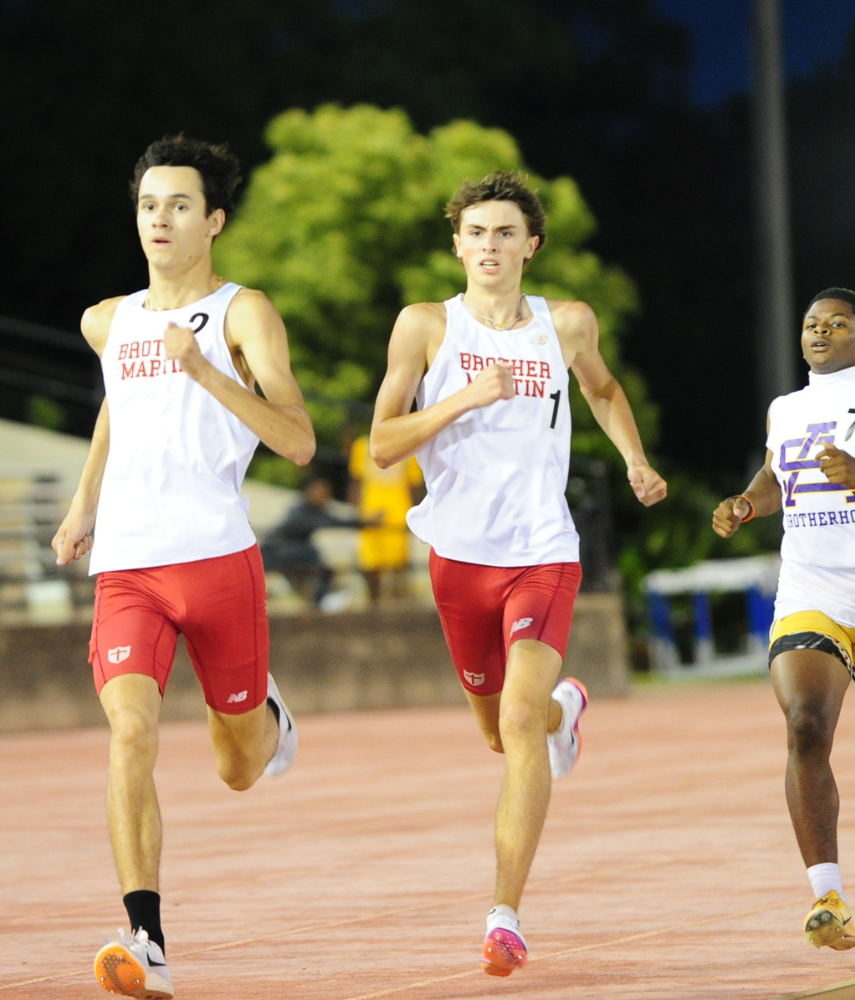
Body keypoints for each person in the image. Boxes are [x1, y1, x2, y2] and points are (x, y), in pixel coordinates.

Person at [369, 170, 666, 976]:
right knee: (497, 728)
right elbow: (383, 446)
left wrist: (635, 459)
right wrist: (460, 400)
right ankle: (566, 713)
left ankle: (505, 917)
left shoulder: (564, 323)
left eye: (506, 233)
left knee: (517, 717)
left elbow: (603, 390)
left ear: (530, 246)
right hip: (459, 561)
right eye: (476, 232)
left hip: (542, 551)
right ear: (456, 243)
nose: (490, 246)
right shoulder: (424, 327)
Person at [51, 135, 315, 999]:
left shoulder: (243, 315)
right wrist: (84, 504)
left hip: (217, 559)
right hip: (131, 567)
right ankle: (147, 937)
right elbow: (117, 410)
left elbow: (297, 440)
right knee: (131, 732)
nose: (159, 220)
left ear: (215, 221)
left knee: (238, 765)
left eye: (177, 206)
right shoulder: (108, 319)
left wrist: (204, 371)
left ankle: (268, 717)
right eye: (146, 206)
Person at [713, 288, 855, 953]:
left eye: (836, 324)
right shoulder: (785, 409)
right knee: (806, 722)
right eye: (812, 324)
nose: (819, 331)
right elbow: (771, 474)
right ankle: (828, 898)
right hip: (812, 588)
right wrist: (747, 504)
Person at [260, 476, 363, 607]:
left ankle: (321, 598)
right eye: (322, 493)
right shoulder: (299, 512)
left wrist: (364, 523)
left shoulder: (315, 511)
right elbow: (327, 522)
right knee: (314, 556)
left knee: (319, 561)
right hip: (275, 553)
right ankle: (321, 600)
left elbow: (336, 520)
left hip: (291, 552)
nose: (325, 498)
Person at [348, 433, 423, 602]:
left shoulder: (408, 444)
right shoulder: (362, 445)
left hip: (399, 512)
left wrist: (416, 513)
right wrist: (356, 512)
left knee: (399, 565)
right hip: (371, 513)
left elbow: (414, 485)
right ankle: (373, 608)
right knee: (371, 564)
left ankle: (397, 607)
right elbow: (356, 480)